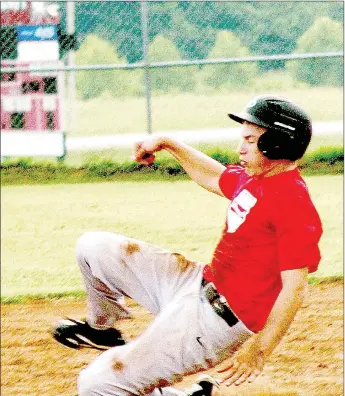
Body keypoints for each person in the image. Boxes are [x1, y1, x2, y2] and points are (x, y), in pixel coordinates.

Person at [52, 94, 323, 396]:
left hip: (215, 323)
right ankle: (103, 329)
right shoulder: (257, 178)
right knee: (93, 247)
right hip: (195, 283)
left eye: (250, 139)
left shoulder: (293, 204)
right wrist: (169, 143)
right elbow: (213, 175)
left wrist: (259, 350)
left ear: (277, 145)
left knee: (97, 384)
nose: (240, 148)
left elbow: (295, 288)